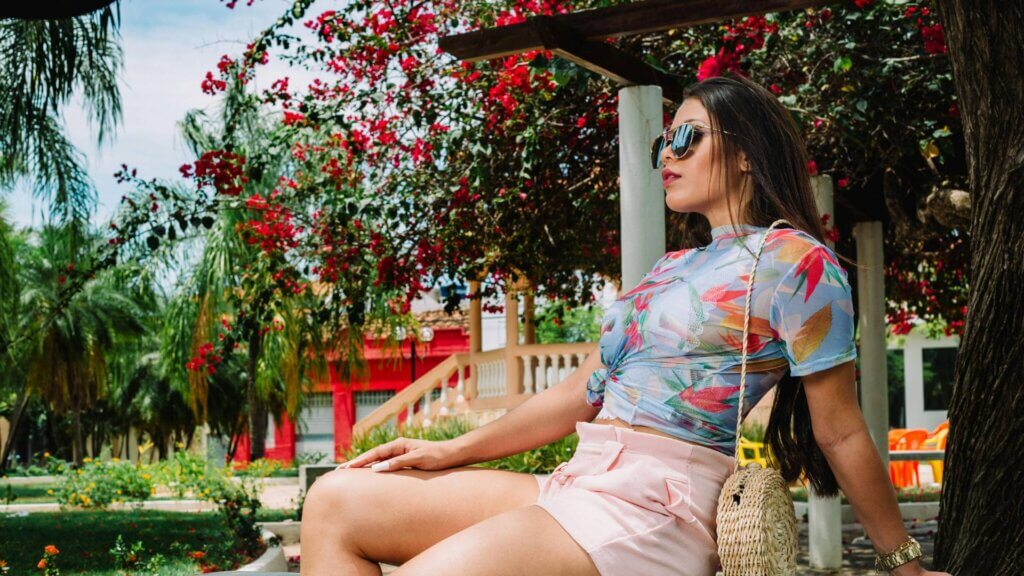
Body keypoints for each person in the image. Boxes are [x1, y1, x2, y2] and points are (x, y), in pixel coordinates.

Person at [300, 73, 952, 576]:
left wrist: (904, 563)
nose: (668, 153)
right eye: (664, 142)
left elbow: (839, 429)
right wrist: (447, 451)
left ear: (747, 154)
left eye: (687, 138)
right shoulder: (669, 268)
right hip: (579, 482)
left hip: (658, 507)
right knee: (336, 501)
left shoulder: (795, 263)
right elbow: (577, 394)